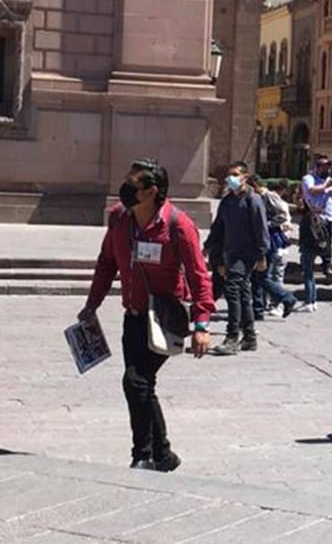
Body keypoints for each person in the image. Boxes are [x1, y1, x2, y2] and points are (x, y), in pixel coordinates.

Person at [79, 158, 214, 471]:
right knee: (142, 383)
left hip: (166, 317)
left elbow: (199, 276)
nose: (125, 188)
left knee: (136, 381)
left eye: (133, 184)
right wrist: (92, 304)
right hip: (134, 315)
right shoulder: (119, 218)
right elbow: (106, 262)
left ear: (151, 192)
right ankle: (163, 455)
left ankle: (142, 456)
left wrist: (202, 323)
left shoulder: (178, 226)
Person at [205, 162, 269, 355]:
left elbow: (261, 229)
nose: (230, 178)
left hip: (247, 253)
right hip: (229, 252)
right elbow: (218, 227)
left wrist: (261, 255)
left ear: (244, 177)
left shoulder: (253, 200)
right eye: (229, 174)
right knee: (242, 293)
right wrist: (209, 246)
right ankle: (249, 337)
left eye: (234, 174)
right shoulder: (227, 201)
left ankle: (232, 336)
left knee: (232, 289)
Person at [249, 175, 300, 319]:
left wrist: (266, 225)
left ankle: (286, 297)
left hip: (268, 240)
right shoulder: (257, 197)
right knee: (257, 276)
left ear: (255, 186)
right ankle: (258, 308)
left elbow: (282, 216)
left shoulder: (268, 196)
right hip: (260, 239)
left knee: (262, 276)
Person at [301, 156, 332, 279]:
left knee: (328, 242)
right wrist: (325, 186)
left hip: (328, 217)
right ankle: (308, 266)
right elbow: (312, 190)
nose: (326, 171)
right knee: (311, 241)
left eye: (328, 168)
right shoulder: (308, 178)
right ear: (317, 168)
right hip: (314, 217)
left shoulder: (330, 180)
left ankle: (327, 266)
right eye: (324, 168)